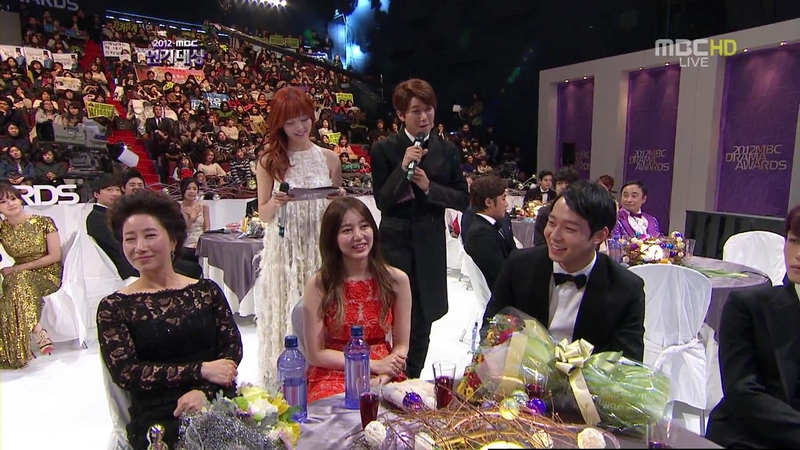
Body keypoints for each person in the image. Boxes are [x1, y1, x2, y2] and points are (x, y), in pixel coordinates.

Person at [97, 190, 243, 449]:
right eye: (130, 239)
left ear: (173, 240)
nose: (140, 247)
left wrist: (204, 392)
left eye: (150, 235)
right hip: (158, 416)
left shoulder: (206, 291)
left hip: (217, 398)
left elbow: (231, 350)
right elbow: (127, 372)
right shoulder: (114, 307)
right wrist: (200, 370)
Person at [370, 78, 470, 378]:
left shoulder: (447, 150)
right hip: (394, 245)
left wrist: (429, 187)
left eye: (428, 109)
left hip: (429, 244)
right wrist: (403, 168)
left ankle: (411, 377)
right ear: (401, 114)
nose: (424, 117)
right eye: (416, 111)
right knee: (390, 312)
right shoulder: (384, 149)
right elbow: (382, 201)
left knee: (423, 316)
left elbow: (462, 198)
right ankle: (384, 374)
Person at [483, 181, 645, 361]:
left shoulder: (626, 288)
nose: (554, 235)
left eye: (569, 229)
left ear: (599, 236)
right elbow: (490, 331)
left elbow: (627, 364)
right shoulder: (519, 266)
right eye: (552, 223)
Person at [254, 86, 342, 386]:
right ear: (279, 125)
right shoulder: (269, 161)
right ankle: (286, 383)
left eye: (304, 119)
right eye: (290, 122)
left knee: (321, 312)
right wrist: (276, 201)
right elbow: (263, 214)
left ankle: (323, 380)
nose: (300, 127)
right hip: (286, 252)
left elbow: (336, 210)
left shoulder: (329, 158)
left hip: (320, 249)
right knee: (287, 312)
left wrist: (338, 198)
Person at [706, 205, 800, 448]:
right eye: (794, 241)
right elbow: (743, 392)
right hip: (749, 437)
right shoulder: (748, 306)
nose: (798, 254)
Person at [304, 197, 411, 401]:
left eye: (364, 226)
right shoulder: (319, 284)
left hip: (385, 371)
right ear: (332, 238)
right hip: (335, 371)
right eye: (347, 230)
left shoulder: (397, 280)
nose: (358, 236)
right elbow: (315, 354)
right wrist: (373, 365)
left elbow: (401, 346)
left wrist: (384, 374)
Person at [0, 183, 62, 368]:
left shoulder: (44, 222)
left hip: (47, 274)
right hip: (19, 278)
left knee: (16, 280)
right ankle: (38, 331)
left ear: (20, 199)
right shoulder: (2, 229)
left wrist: (19, 268)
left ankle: (22, 346)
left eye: (13, 198)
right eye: (3, 202)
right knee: (15, 284)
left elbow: (55, 256)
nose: (10, 204)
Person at [464, 175, 515, 292]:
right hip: (503, 294)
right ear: (489, 202)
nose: (506, 204)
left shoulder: (495, 223)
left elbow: (513, 253)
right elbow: (501, 273)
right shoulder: (480, 234)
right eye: (503, 199)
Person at [533, 166, 580, 247]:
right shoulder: (545, 213)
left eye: (567, 183)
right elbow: (539, 243)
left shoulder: (582, 212)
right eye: (559, 183)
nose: (563, 187)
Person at [178, 177, 209, 264]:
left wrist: (201, 243)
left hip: (200, 244)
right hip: (184, 244)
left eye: (194, 189)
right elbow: (181, 232)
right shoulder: (177, 207)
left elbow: (207, 229)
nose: (192, 191)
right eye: (188, 189)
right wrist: (192, 218)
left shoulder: (204, 206)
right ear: (182, 190)